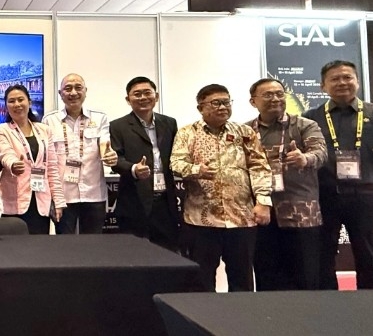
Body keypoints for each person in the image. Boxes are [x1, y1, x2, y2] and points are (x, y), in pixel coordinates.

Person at [170, 83, 272, 292]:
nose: (223, 107)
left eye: (226, 102)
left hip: (241, 217)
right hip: (201, 219)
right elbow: (176, 163)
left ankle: (241, 313)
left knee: (242, 279)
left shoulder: (245, 132)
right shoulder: (187, 133)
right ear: (201, 107)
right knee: (202, 280)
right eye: (216, 103)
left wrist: (263, 202)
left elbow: (259, 167)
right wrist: (196, 170)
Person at [247, 78, 326, 290]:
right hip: (262, 212)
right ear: (253, 101)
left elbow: (320, 153)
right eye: (268, 95)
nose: (275, 99)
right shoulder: (246, 131)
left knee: (305, 274)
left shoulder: (304, 125)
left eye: (279, 94)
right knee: (266, 273)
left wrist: (304, 159)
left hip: (300, 210)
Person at [302, 60, 373, 290]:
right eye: (335, 79)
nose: (342, 82)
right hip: (325, 195)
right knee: (322, 254)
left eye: (347, 77)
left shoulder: (371, 113)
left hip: (366, 196)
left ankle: (367, 303)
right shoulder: (310, 118)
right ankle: (327, 304)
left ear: (357, 82)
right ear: (323, 86)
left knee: (369, 254)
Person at [109, 76, 180, 251]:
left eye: (147, 93)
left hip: (165, 200)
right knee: (133, 254)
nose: (143, 97)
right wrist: (133, 169)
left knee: (166, 253)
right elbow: (115, 160)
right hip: (134, 200)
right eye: (137, 94)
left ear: (156, 96)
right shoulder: (117, 126)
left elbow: (176, 155)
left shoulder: (169, 123)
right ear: (128, 99)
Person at [42, 73, 115, 234]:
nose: (73, 92)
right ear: (60, 93)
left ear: (85, 91)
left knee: (92, 243)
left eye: (78, 88)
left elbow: (105, 144)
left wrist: (109, 156)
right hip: (63, 196)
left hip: (94, 193)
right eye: (68, 88)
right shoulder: (49, 121)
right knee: (65, 244)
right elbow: (46, 160)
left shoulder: (100, 118)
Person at [0, 84, 66, 234]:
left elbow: (52, 168)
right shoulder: (1, 130)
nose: (17, 104)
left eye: (21, 100)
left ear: (29, 102)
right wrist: (13, 164)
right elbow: (5, 153)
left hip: (41, 202)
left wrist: (58, 201)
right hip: (14, 201)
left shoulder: (44, 130)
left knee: (39, 246)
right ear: (6, 106)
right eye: (11, 101)